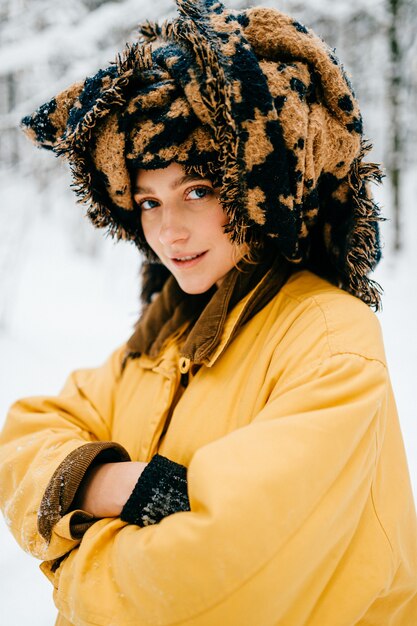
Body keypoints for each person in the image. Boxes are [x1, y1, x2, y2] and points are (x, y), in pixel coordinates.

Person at [0, 0, 416, 624]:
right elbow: (24, 435)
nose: (170, 231)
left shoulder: (330, 340)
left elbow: (213, 584)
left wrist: (70, 567)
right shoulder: (166, 336)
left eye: (198, 189)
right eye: (148, 201)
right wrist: (112, 483)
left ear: (260, 183)